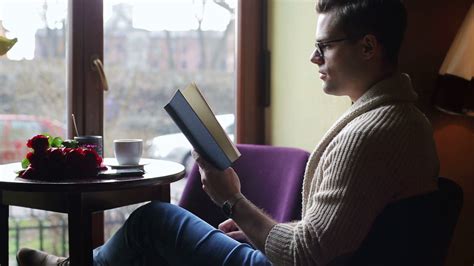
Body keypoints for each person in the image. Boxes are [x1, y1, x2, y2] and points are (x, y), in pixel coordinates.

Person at [17, 0, 440, 265]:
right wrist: (259, 232)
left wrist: (232, 200)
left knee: (153, 221)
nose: (314, 57)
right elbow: (336, 237)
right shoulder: (404, 120)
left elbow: (306, 255)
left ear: (368, 47)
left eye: (325, 45)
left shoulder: (369, 133)